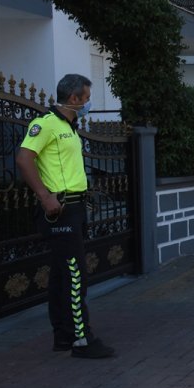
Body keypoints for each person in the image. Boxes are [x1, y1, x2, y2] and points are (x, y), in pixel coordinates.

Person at [16, 74, 115, 359]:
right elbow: (23, 159)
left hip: (74, 207)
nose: (87, 103)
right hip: (60, 210)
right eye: (85, 98)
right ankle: (82, 340)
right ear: (73, 99)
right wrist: (45, 196)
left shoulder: (68, 126)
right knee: (75, 276)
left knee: (62, 275)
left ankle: (63, 336)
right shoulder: (46, 125)